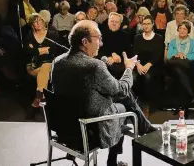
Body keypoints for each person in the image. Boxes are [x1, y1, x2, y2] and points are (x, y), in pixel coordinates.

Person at [50, 20, 155, 166]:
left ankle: (146, 127)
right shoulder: (94, 66)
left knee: (119, 97)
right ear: (85, 41)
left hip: (64, 126)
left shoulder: (57, 61)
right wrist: (129, 68)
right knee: (123, 103)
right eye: (98, 38)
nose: (101, 43)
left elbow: (75, 87)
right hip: (90, 129)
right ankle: (116, 158)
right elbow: (122, 88)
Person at [24, 12, 62, 107]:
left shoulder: (51, 34)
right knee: (43, 71)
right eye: (35, 22)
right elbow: (28, 51)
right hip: (34, 66)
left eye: (40, 20)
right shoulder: (29, 36)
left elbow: (54, 49)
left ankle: (39, 95)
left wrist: (37, 50)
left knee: (46, 66)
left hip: (49, 64)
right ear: (32, 25)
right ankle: (43, 96)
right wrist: (45, 49)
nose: (38, 23)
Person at [132, 15, 165, 116]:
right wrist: (138, 65)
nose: (146, 26)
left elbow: (158, 55)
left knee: (147, 77)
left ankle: (146, 105)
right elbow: (134, 53)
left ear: (152, 25)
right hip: (139, 65)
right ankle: (135, 104)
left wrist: (148, 64)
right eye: (144, 24)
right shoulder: (138, 38)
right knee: (134, 78)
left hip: (154, 66)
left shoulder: (158, 38)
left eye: (148, 24)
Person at [165, 20, 194, 108]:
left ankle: (184, 103)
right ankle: (191, 95)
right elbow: (169, 57)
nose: (182, 30)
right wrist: (178, 55)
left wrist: (184, 56)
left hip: (189, 67)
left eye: (185, 29)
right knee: (177, 68)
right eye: (180, 28)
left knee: (179, 68)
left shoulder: (193, 42)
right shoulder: (172, 42)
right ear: (178, 30)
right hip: (174, 67)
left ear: (188, 31)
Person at [99, 13, 132, 79]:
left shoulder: (126, 36)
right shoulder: (101, 35)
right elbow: (98, 51)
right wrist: (110, 56)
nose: (114, 24)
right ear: (108, 22)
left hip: (119, 63)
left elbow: (128, 54)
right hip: (104, 61)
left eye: (116, 22)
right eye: (112, 21)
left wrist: (117, 58)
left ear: (120, 24)